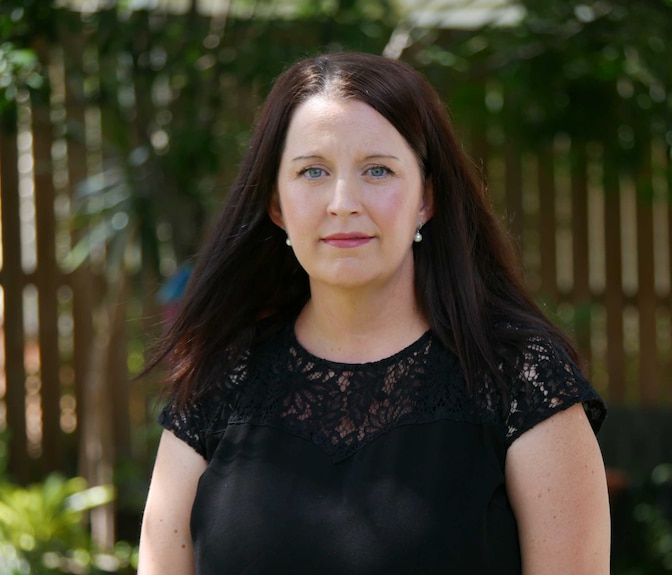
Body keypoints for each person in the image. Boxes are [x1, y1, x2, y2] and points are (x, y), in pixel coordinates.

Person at [138, 51, 610, 575]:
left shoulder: (519, 381)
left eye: (378, 170)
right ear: (276, 204)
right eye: (313, 171)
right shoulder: (220, 377)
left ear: (426, 199)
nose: (343, 201)